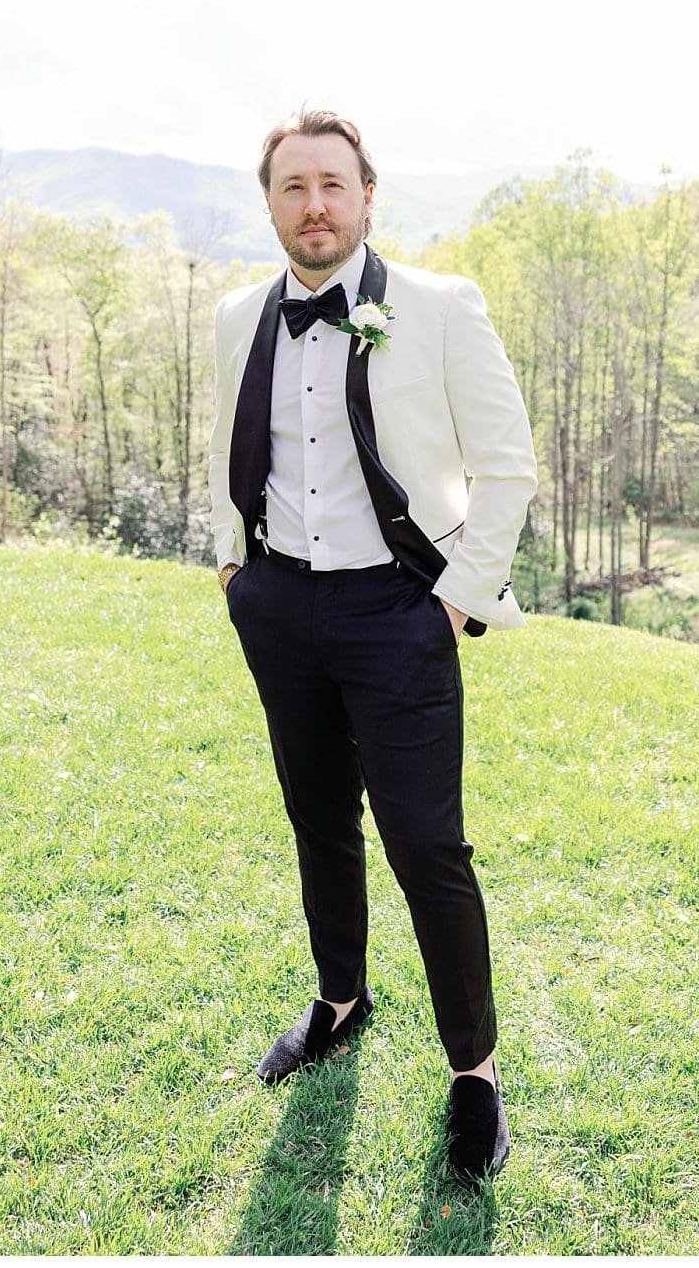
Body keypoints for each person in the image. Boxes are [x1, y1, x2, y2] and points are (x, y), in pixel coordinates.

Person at [207, 108, 536, 1183]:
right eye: (293, 187)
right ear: (270, 202)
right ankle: (340, 1001)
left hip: (401, 613)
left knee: (426, 848)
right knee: (315, 818)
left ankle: (474, 1072)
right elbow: (222, 450)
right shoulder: (233, 317)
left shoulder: (439, 308)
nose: (314, 205)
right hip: (281, 610)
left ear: (366, 197)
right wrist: (231, 566)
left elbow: (508, 464)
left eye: (332, 186)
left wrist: (451, 599)